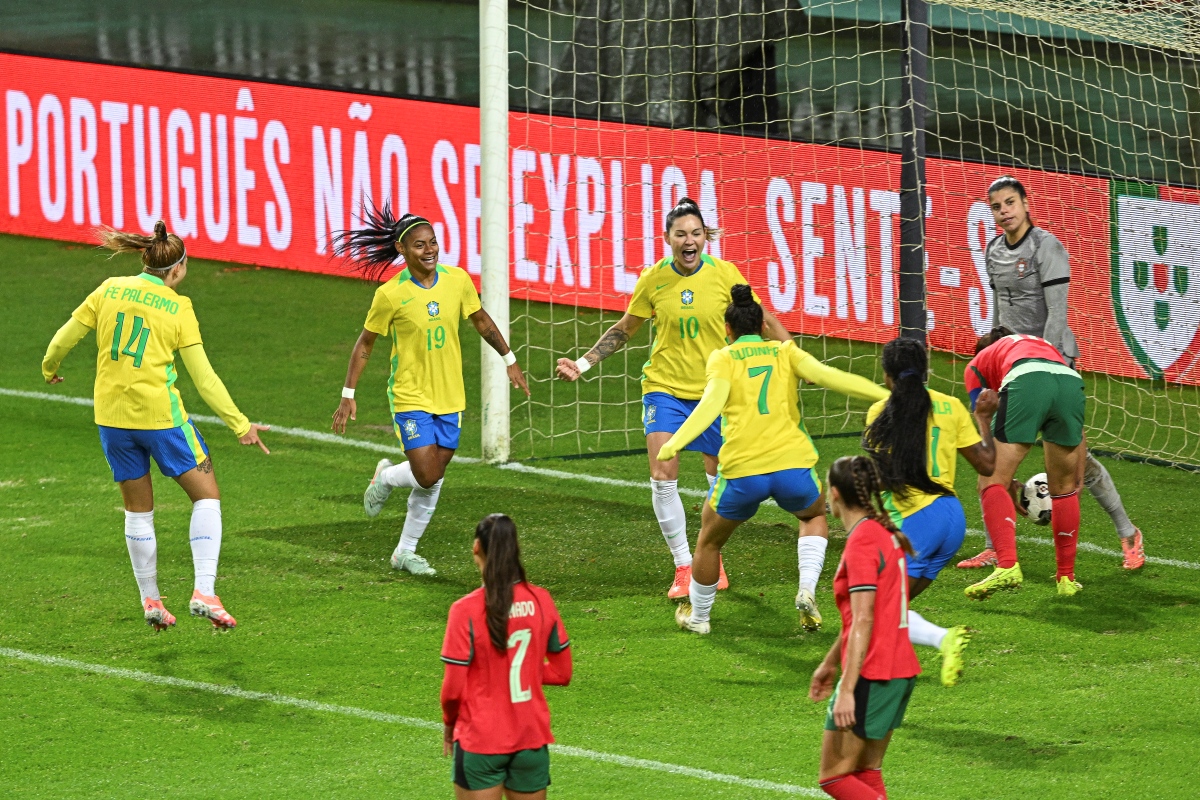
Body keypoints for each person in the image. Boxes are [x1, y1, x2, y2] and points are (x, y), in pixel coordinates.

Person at [40, 221, 270, 631]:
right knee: (207, 498)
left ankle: (151, 600)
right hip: (161, 419)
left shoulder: (108, 288)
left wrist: (49, 368)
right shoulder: (178, 308)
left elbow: (62, 340)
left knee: (138, 512)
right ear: (178, 269)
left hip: (111, 419)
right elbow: (204, 378)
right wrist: (240, 424)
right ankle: (204, 590)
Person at [557, 197, 791, 599]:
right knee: (663, 473)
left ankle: (709, 554)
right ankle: (685, 565)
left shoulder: (725, 275)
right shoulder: (653, 279)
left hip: (717, 392)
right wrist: (584, 362)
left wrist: (793, 356)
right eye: (681, 234)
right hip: (664, 389)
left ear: (705, 238)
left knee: (722, 480)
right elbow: (626, 327)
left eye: (696, 233)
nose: (689, 241)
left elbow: (761, 318)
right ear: (667, 239)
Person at [658, 286, 889, 634]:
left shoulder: (723, 357)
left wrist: (675, 442)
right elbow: (831, 377)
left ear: (727, 329)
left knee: (709, 538)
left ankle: (700, 618)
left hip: (743, 471)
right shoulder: (786, 352)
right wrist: (886, 395)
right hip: (791, 466)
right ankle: (807, 588)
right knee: (812, 515)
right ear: (764, 327)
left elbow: (710, 405)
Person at [957, 175, 1145, 571]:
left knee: (1078, 462)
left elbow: (1057, 313)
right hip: (1011, 364)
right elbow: (999, 310)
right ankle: (994, 544)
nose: (1004, 211)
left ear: (1026, 204)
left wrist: (1050, 362)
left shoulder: (1047, 247)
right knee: (994, 458)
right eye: (996, 206)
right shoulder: (993, 250)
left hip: (1052, 362)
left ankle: (1127, 532)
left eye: (1010, 202)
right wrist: (992, 352)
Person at [331, 205, 529, 576]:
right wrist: (348, 393)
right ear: (401, 250)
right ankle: (387, 478)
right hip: (410, 395)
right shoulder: (391, 295)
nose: (430, 250)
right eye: (420, 245)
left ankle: (404, 552)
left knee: (434, 474)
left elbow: (481, 319)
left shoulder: (457, 281)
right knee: (426, 474)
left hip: (450, 395)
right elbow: (365, 343)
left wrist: (509, 359)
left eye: (433, 242)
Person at [862, 337, 997, 686]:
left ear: (887, 376)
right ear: (925, 371)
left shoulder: (881, 411)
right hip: (952, 519)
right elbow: (986, 464)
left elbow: (884, 477)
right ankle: (894, 668)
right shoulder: (951, 405)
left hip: (916, 520)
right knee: (894, 608)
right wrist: (983, 418)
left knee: (879, 607)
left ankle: (942, 639)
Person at [808, 456, 920, 800]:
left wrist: (847, 688)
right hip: (900, 669)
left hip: (873, 673)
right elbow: (869, 616)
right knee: (866, 773)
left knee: (834, 777)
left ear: (836, 494)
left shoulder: (862, 543)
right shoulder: (883, 532)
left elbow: (864, 619)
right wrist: (830, 663)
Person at [441, 514, 572, 799]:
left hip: (481, 740)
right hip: (531, 738)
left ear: (477, 547)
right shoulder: (541, 600)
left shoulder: (465, 611)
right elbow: (563, 673)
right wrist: (526, 671)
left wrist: (450, 723)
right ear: (516, 549)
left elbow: (452, 691)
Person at [962, 328, 1087, 599]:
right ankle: (1066, 578)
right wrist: (1079, 473)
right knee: (1064, 488)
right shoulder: (1039, 346)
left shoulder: (976, 365)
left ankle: (1006, 565)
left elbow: (986, 453)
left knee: (989, 479)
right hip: (1070, 381)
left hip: (1028, 381)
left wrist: (983, 419)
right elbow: (1080, 433)